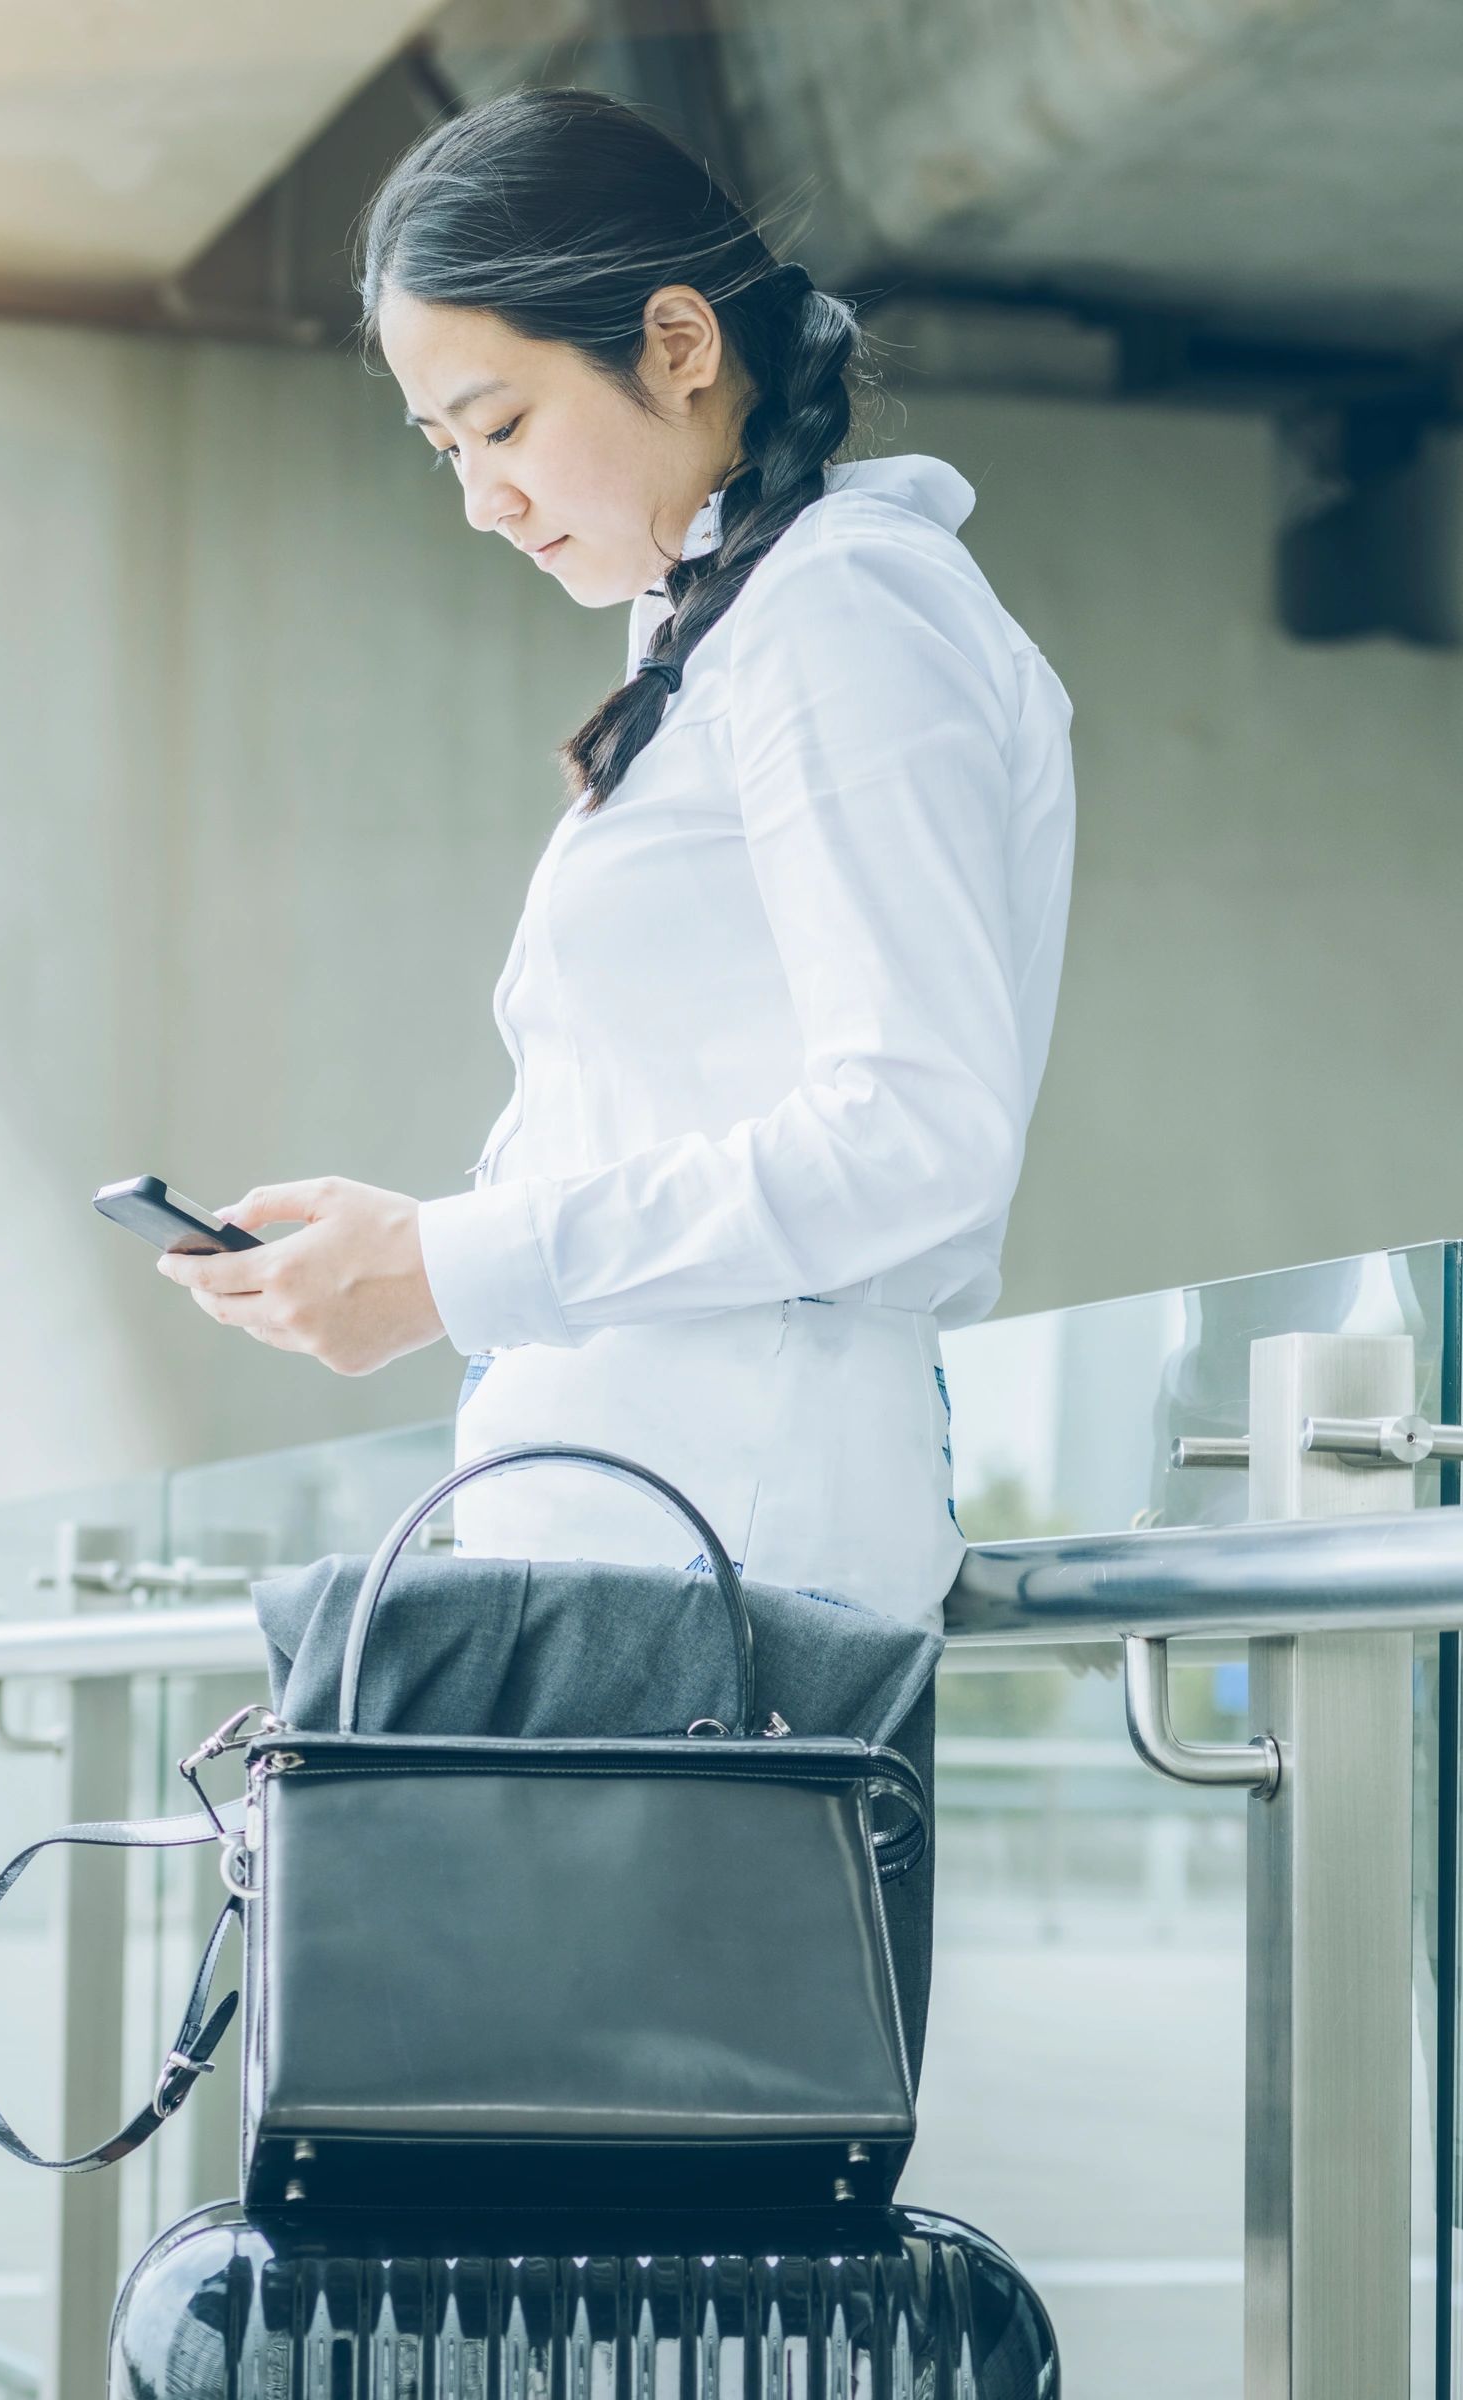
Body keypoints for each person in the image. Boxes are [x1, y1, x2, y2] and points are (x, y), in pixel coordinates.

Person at [158, 90, 1075, 1630]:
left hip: (732, 1551)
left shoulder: (843, 611)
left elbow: (914, 1139)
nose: (479, 499)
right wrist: (423, 1259)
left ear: (677, 342)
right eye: (442, 446)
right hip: (658, 1535)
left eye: (503, 424)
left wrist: (456, 1264)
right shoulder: (736, 628)